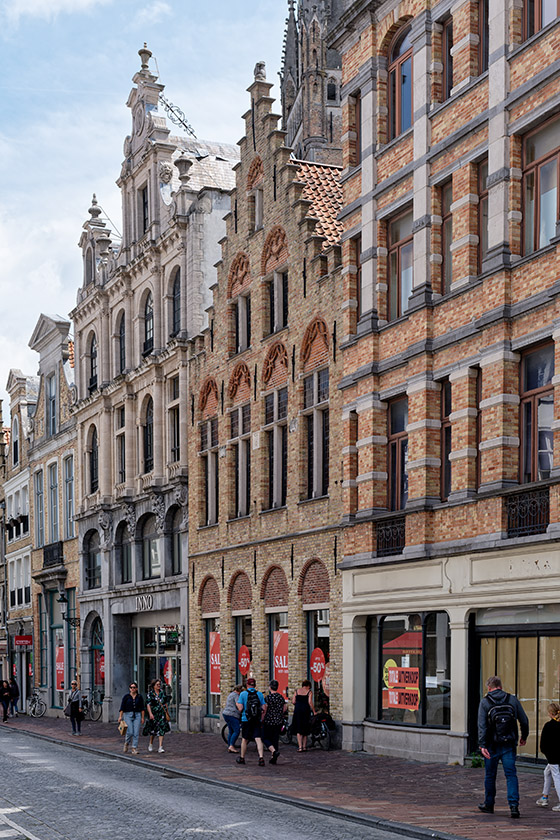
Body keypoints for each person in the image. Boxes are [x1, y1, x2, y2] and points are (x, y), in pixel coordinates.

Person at [477, 675, 529, 819]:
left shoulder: (485, 702)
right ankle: (513, 806)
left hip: (491, 745)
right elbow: (524, 720)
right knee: (511, 775)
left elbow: (482, 726)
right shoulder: (512, 699)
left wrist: (482, 745)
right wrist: (524, 736)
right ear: (500, 686)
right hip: (509, 744)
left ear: (489, 687)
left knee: (490, 775)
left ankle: (489, 804)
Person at [236, 677, 266, 766]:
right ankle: (261, 758)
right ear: (255, 685)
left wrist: (237, 704)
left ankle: (242, 757)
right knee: (258, 738)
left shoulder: (243, 694)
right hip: (256, 719)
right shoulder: (259, 694)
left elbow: (240, 709)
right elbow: (264, 708)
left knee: (245, 739)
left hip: (246, 719)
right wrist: (261, 718)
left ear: (247, 685)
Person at [536, 701, 560, 810]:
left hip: (552, 756)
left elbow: (543, 744)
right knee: (547, 772)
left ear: (550, 713)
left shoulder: (549, 726)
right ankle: (544, 797)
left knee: (556, 776)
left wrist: (546, 752)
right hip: (557, 755)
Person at [262, 679, 287, 764]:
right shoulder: (280, 697)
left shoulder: (268, 698)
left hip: (269, 721)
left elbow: (264, 709)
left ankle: (273, 751)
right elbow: (284, 708)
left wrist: (263, 718)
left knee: (265, 738)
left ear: (270, 688)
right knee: (275, 739)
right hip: (278, 721)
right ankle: (274, 758)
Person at [143, 678, 170, 753]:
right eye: (157, 684)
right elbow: (148, 704)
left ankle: (160, 747)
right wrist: (150, 713)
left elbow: (165, 703)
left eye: (159, 684)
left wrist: (167, 713)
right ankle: (151, 743)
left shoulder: (162, 693)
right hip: (154, 713)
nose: (159, 686)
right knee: (153, 730)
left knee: (161, 729)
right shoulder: (150, 694)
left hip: (162, 713)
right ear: (154, 685)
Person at [118, 681, 145, 755]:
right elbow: (122, 707)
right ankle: (127, 743)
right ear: (129, 689)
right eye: (131, 687)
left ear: (136, 688)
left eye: (134, 687)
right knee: (130, 731)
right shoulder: (126, 697)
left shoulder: (139, 697)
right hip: (128, 715)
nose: (133, 689)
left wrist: (142, 718)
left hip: (137, 715)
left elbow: (142, 708)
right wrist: (120, 716)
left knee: (136, 732)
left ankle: (134, 747)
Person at [291, 679, 315, 752]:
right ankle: (304, 747)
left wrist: (298, 704)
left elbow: (293, 701)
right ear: (308, 686)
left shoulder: (297, 691)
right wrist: (314, 711)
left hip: (297, 710)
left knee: (298, 728)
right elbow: (310, 702)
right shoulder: (309, 692)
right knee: (305, 728)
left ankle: (300, 747)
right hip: (305, 710)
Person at [222, 684, 243, 753]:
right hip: (232, 715)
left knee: (231, 731)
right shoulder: (236, 696)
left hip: (226, 713)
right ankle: (231, 746)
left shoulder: (231, 694)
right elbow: (239, 707)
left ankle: (230, 745)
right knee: (236, 731)